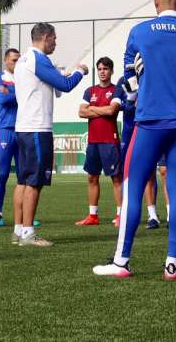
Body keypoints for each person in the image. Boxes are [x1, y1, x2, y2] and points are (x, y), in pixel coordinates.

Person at [93, 0, 176, 280]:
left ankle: (122, 261)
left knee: (132, 186)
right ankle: (173, 264)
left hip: (152, 118)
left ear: (156, 2)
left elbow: (130, 82)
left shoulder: (140, 31)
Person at [14, 23, 88, 246]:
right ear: (45, 37)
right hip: (37, 128)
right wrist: (80, 72)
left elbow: (53, 85)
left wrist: (62, 72)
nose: (56, 43)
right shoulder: (38, 59)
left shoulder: (23, 60)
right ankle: (27, 233)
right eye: (54, 38)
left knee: (24, 181)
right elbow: (65, 86)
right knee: (34, 182)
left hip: (24, 128)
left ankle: (19, 230)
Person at [76, 57, 124, 226]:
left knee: (116, 178)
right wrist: (101, 110)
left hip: (110, 141)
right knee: (92, 177)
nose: (102, 72)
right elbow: (81, 112)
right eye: (100, 69)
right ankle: (93, 216)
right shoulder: (90, 91)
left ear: (111, 71)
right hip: (93, 142)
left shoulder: (118, 90)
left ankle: (120, 215)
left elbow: (112, 111)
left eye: (105, 69)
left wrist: (93, 108)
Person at [115, 74, 161, 229]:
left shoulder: (153, 75)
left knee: (150, 173)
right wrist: (130, 99)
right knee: (126, 174)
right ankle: (124, 213)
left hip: (149, 129)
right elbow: (121, 106)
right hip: (129, 132)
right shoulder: (123, 80)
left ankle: (152, 215)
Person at [0, 48, 21, 227]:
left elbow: (27, 97)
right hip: (6, 130)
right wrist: (14, 94)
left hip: (24, 130)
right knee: (3, 173)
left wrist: (10, 93)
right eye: (13, 60)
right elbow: (2, 99)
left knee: (24, 176)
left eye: (18, 60)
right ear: (5, 61)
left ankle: (25, 215)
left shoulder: (24, 77)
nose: (16, 63)